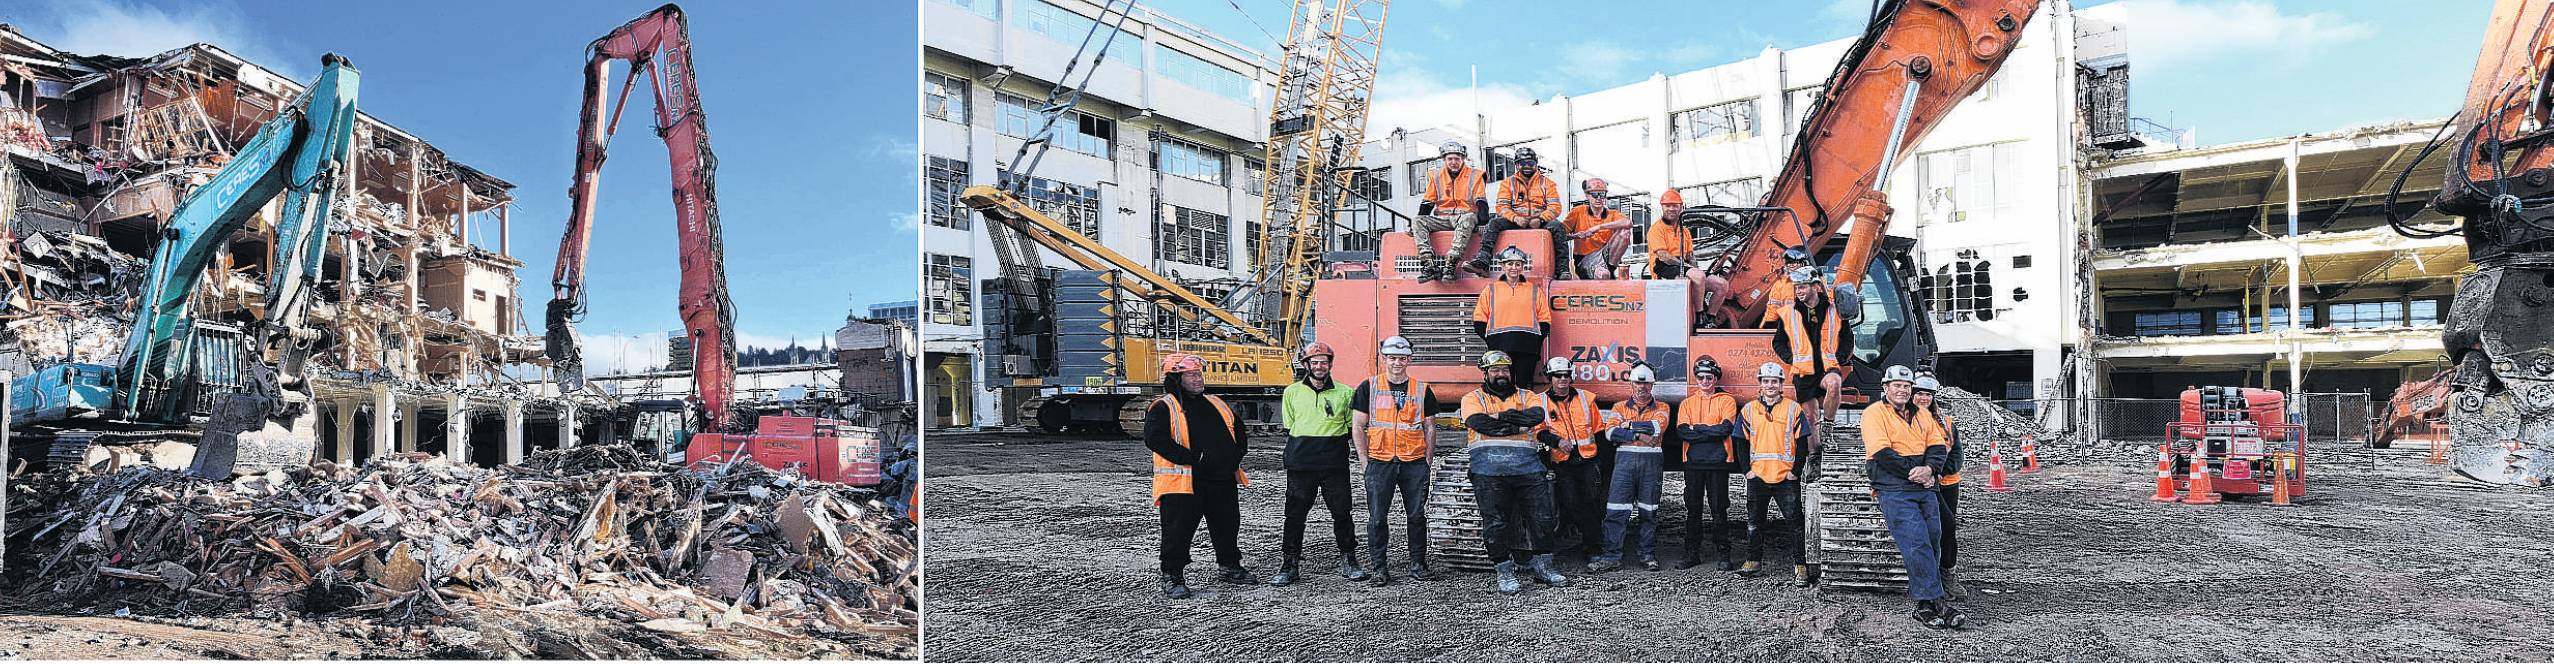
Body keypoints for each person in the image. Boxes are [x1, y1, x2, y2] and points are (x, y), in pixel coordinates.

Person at [1457, 350, 1572, 594]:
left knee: (1542, 518)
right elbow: (1477, 422)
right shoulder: (1472, 398)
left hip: (1528, 469)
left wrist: (1499, 418)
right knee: (1495, 523)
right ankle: (1504, 571)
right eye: (1495, 370)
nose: (1501, 374)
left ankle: (1543, 567)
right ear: (1486, 373)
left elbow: (1535, 416)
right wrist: (1517, 424)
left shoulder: (1527, 396)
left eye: (1505, 370)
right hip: (1488, 470)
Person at [1144, 353, 1257, 598]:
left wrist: (1235, 456)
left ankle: (1229, 566)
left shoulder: (1216, 402)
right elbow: (1155, 439)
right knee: (1178, 531)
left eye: (1199, 374)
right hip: (1183, 484)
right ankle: (1172, 576)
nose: (1198, 379)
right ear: (1176, 378)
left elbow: (1238, 431)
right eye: (1192, 375)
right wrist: (1195, 459)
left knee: (1227, 527)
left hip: (1222, 480)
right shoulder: (1164, 407)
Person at [1863, 365, 1964, 628]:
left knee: (1933, 539)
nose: (1902, 390)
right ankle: (1935, 600)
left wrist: (1930, 469)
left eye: (1906, 386)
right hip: (1895, 489)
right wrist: (1916, 472)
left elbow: (1938, 447)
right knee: (1917, 542)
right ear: (1885, 388)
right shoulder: (1874, 414)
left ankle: (1926, 603)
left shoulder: (1922, 415)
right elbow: (1882, 452)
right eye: (1896, 385)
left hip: (1924, 487)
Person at [1273, 341, 1365, 586]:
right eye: (1314, 362)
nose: (1320, 366)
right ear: (1306, 365)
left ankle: (1349, 559)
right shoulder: (1291, 392)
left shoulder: (1346, 393)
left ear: (1330, 364)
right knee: (1294, 516)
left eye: (1324, 362)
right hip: (1300, 465)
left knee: (1342, 513)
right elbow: (1290, 425)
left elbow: (1350, 426)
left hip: (1334, 465)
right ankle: (1289, 564)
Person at [1352, 335, 1440, 584]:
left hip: (1413, 462)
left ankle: (1418, 564)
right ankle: (1379, 568)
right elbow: (1358, 426)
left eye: (1402, 358)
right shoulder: (1369, 387)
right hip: (1379, 462)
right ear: (1384, 359)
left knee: (1416, 516)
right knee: (1377, 517)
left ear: (1409, 360)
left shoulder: (1422, 390)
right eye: (1392, 358)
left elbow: (1430, 428)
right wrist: (1364, 461)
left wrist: (1427, 461)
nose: (1397, 363)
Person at [1733, 362, 1816, 586]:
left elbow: (1801, 444)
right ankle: (1753, 561)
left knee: (1795, 524)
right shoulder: (1749, 410)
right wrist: (1747, 471)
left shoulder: (1793, 409)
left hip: (1785, 478)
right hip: (1758, 476)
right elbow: (1740, 442)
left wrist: (1795, 472)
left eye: (1775, 382)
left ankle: (1801, 566)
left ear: (1781, 385)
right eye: (1766, 381)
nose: (1770, 385)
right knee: (1754, 522)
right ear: (1760, 384)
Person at [1592, 364, 1673, 571]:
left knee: (1649, 512)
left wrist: (1627, 426)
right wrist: (1638, 435)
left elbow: (1656, 428)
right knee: (1617, 510)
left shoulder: (1663, 407)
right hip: (1624, 464)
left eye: (1646, 383)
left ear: (1652, 384)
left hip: (1650, 465)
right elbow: (1610, 433)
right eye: (1638, 382)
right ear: (1631, 384)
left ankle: (1647, 555)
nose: (1642, 387)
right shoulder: (1619, 406)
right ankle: (1612, 556)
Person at [1768, 265, 1857, 450]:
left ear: (1815, 287)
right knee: (1809, 418)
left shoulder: (1834, 309)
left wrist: (1839, 358)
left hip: (1827, 366)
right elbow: (1778, 342)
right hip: (1803, 371)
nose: (1798, 291)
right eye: (1797, 287)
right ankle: (1814, 459)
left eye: (1803, 286)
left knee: (1834, 384)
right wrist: (1791, 359)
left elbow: (1848, 338)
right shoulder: (1789, 313)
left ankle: (1828, 428)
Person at [1670, 356, 1741, 570]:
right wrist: (1709, 431)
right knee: (1693, 509)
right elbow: (1682, 432)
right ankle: (1692, 554)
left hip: (1718, 463)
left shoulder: (1727, 401)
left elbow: (1725, 430)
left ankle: (1723, 555)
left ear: (1715, 378)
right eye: (1700, 377)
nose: (1704, 381)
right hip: (1693, 463)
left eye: (1709, 377)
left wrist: (1697, 429)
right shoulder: (1687, 403)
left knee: (1719, 509)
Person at [1537, 357, 1605, 561]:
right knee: (1571, 503)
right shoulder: (1540, 401)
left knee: (1592, 503)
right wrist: (1556, 441)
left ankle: (1593, 547)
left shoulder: (1586, 398)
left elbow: (1599, 429)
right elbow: (1538, 431)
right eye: (1558, 376)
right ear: (1550, 378)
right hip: (1563, 461)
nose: (1563, 379)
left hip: (1587, 460)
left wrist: (1602, 461)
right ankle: (1580, 537)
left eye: (1566, 375)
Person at [1470, 147, 1569, 278]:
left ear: (1536, 164)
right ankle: (1482, 261)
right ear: (1516, 165)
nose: (1527, 166)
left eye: (1531, 163)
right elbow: (1502, 207)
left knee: (1558, 227)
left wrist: (1541, 219)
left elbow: (1555, 207)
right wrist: (1515, 218)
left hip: (1539, 220)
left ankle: (1562, 270)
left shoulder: (1547, 183)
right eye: (1523, 163)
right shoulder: (1508, 183)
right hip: (1515, 220)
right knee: (1493, 224)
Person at [1912, 373, 1966, 598]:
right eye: (1919, 393)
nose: (1923, 398)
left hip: (1946, 483)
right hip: (1923, 484)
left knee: (1947, 529)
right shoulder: (1905, 421)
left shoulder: (1945, 423)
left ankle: (1947, 573)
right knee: (1933, 528)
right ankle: (1929, 574)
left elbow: (1956, 454)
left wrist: (1939, 472)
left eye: (1927, 394)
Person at [1473, 246, 1553, 388]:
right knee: (1502, 385)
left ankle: (1523, 410)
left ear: (1523, 266)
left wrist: (1537, 340)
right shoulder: (1490, 289)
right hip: (1499, 346)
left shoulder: (1535, 290)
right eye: (1509, 263)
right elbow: (1479, 320)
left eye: (1518, 264)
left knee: (1524, 386)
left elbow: (1545, 319)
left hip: (1528, 347)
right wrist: (1491, 341)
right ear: (1503, 266)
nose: (1513, 267)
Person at [1413, 141, 1490, 282]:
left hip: (1464, 217)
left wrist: (1484, 222)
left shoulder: (1475, 175)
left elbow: (1481, 202)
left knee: (1470, 217)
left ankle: (1451, 264)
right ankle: (1428, 265)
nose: (1453, 162)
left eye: (1457, 159)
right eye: (1450, 159)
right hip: (1442, 218)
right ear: (1444, 160)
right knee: (1417, 220)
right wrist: (1414, 226)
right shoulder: (1436, 176)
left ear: (1463, 159)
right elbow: (1427, 203)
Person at [1561, 178, 1637, 279]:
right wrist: (1577, 236)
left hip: (1606, 255)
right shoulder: (1578, 212)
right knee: (1603, 274)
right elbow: (1560, 235)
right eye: (1595, 194)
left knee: (1624, 232)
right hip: (1585, 259)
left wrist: (1598, 227)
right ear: (1587, 195)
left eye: (1602, 194)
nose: (1599, 198)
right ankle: (1604, 272)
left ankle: (1609, 267)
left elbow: (1628, 222)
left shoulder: (1612, 214)